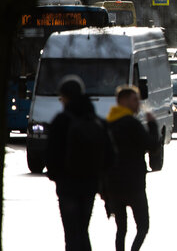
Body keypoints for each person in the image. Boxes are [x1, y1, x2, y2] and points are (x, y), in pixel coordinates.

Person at [46, 75, 114, 251]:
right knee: (83, 229)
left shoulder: (61, 121)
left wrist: (56, 176)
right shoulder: (97, 121)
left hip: (67, 185)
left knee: (71, 232)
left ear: (65, 97)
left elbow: (51, 154)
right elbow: (110, 155)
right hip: (90, 184)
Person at [104, 85, 160, 251]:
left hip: (113, 186)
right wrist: (152, 125)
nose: (138, 104)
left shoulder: (109, 123)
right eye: (134, 100)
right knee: (143, 226)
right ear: (123, 101)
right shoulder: (132, 123)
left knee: (121, 229)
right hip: (134, 184)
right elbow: (152, 145)